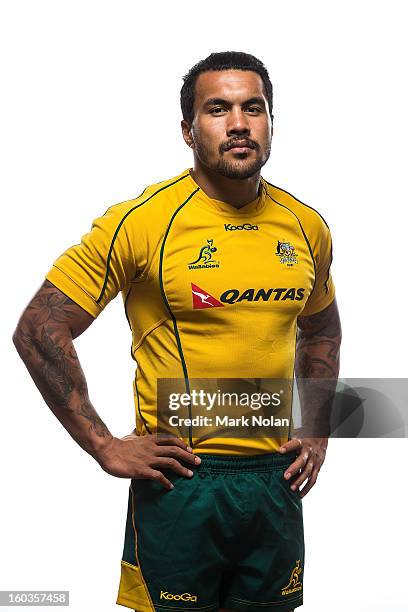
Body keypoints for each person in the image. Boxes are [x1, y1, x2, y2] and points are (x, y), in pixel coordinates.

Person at [13, 51, 342, 612]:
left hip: (275, 481)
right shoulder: (142, 222)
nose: (239, 124)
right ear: (188, 130)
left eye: (253, 108)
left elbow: (321, 332)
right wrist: (103, 445)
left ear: (270, 123)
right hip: (180, 481)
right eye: (218, 109)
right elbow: (38, 329)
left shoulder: (305, 226)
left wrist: (316, 427)